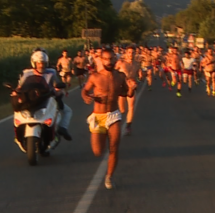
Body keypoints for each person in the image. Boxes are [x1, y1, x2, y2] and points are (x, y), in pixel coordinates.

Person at [82, 48, 137, 189]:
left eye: (112, 59)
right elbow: (85, 90)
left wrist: (132, 88)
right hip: (98, 116)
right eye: (106, 59)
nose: (109, 61)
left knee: (114, 148)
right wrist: (86, 97)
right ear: (101, 59)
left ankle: (109, 176)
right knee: (98, 152)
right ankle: (102, 139)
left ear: (115, 59)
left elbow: (127, 94)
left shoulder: (120, 76)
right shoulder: (95, 76)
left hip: (113, 115)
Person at [17, 50, 73, 143]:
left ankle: (62, 128)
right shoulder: (27, 73)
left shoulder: (51, 73)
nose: (41, 65)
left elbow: (57, 84)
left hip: (48, 98)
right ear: (34, 63)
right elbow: (20, 86)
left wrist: (58, 90)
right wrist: (16, 92)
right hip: (31, 100)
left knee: (67, 110)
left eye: (43, 63)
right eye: (39, 63)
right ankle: (20, 134)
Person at [115, 47, 139, 136]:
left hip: (131, 87)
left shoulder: (137, 64)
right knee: (122, 110)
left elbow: (139, 75)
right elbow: (113, 72)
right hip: (122, 87)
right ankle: (117, 125)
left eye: (133, 52)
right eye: (129, 52)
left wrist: (139, 78)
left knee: (131, 107)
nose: (131, 54)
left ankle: (128, 126)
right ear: (126, 53)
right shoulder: (120, 63)